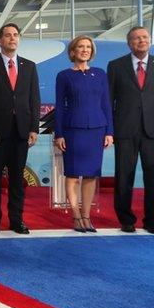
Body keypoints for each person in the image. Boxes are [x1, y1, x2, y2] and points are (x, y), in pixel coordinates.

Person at [107, 26, 154, 234]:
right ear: (129, 43)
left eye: (145, 37)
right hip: (125, 129)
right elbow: (108, 100)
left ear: (150, 41)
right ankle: (126, 219)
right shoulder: (116, 65)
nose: (141, 41)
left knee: (153, 176)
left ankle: (153, 221)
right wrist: (108, 130)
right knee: (123, 176)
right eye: (136, 38)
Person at [0, 23, 40, 235]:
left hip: (21, 132)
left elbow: (34, 100)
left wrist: (34, 128)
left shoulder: (29, 66)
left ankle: (17, 220)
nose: (12, 38)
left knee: (17, 179)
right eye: (7, 35)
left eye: (15, 35)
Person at [53, 36, 114, 233]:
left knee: (90, 176)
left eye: (88, 47)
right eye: (80, 46)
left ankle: (87, 216)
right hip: (72, 130)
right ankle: (76, 216)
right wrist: (59, 134)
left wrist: (109, 132)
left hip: (97, 130)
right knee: (72, 175)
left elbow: (106, 105)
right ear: (73, 51)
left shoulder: (100, 74)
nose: (85, 50)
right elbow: (60, 107)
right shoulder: (64, 76)